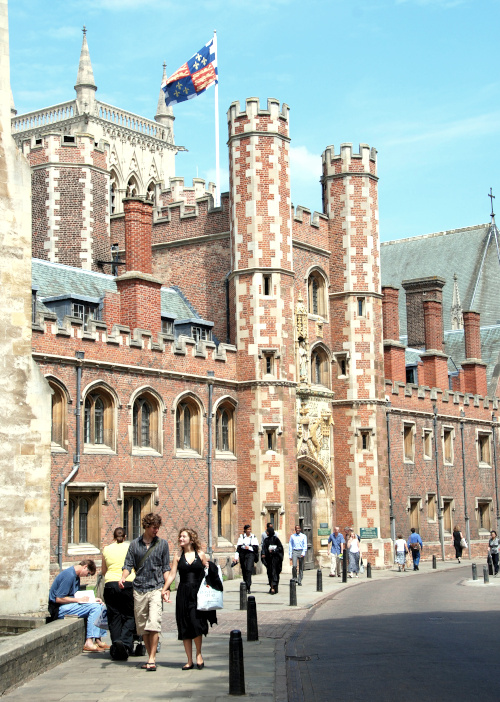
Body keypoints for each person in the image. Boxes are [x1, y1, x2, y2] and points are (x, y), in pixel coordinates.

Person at [119, 513, 171, 672]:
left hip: (156, 587)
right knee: (143, 628)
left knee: (154, 623)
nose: (157, 530)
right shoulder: (134, 545)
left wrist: (166, 588)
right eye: (154, 527)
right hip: (139, 588)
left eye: (158, 527)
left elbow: (165, 568)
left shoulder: (162, 544)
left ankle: (152, 658)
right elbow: (128, 564)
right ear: (146, 526)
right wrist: (122, 578)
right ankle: (150, 656)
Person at [161, 528, 218, 669]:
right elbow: (173, 574)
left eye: (183, 536)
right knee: (184, 624)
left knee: (196, 623)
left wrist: (208, 566)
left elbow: (208, 571)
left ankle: (199, 654)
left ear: (191, 539)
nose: (181, 539)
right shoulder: (178, 556)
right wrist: (165, 588)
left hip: (198, 593)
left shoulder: (200, 554)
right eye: (180, 536)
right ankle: (189, 660)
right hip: (183, 592)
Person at [48, 559, 108, 652]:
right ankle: (89, 642)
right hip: (58, 608)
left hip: (69, 605)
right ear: (85, 567)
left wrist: (92, 599)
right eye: (88, 573)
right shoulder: (69, 576)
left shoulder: (76, 576)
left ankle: (98, 639)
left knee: (101, 605)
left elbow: (75, 594)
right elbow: (58, 598)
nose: (86, 576)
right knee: (95, 608)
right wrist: (78, 600)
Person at [102, 527, 135, 661]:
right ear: (125, 536)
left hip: (110, 585)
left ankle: (116, 641)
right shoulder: (130, 547)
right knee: (129, 615)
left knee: (114, 615)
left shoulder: (106, 549)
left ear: (113, 537)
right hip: (127, 583)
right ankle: (126, 642)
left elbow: (104, 570)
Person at [235, 524, 259, 593]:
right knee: (244, 569)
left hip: (250, 554)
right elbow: (238, 548)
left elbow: (256, 548)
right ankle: (245, 584)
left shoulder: (253, 537)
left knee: (249, 569)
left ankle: (248, 586)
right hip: (243, 554)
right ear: (245, 530)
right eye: (248, 529)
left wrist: (249, 547)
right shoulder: (242, 537)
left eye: (250, 529)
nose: (249, 531)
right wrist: (236, 558)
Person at [262, 526, 284, 594]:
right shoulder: (266, 540)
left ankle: (274, 587)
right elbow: (264, 548)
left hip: (276, 559)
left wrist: (274, 550)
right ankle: (272, 586)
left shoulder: (276, 539)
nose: (267, 533)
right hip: (269, 559)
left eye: (268, 532)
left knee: (275, 573)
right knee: (270, 573)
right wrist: (263, 554)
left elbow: (280, 548)